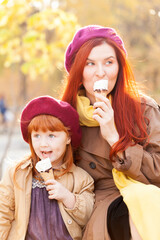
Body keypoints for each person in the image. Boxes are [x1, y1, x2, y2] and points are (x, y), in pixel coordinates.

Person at [61, 25, 160, 240]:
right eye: (90, 64)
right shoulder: (64, 118)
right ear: (78, 71)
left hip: (146, 191)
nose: (101, 72)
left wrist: (114, 137)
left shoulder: (144, 109)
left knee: (147, 202)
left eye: (109, 62)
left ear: (119, 67)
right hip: (97, 205)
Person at [0, 95, 95, 240]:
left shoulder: (81, 178)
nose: (43, 144)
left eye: (51, 136)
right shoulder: (16, 173)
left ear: (68, 138)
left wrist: (67, 197)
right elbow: (3, 214)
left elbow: (87, 216)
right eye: (37, 135)